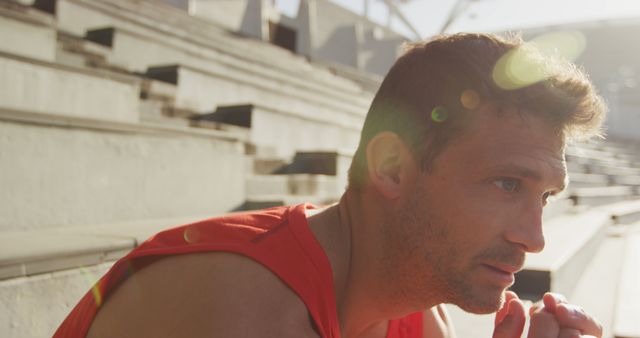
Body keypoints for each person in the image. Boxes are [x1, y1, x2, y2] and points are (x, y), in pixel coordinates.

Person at [55, 33, 606, 338]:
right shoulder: (232, 308)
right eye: (508, 183)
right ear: (391, 167)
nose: (535, 239)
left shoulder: (413, 311)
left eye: (546, 197)